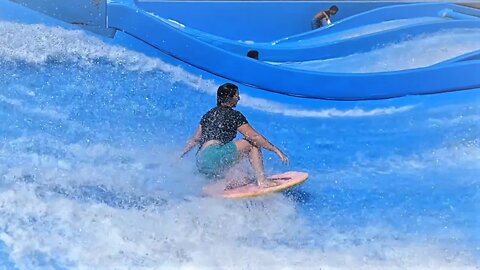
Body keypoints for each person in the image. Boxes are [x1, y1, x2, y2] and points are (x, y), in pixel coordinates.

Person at [179, 83, 288, 188]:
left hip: (201, 162)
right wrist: (275, 149)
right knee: (251, 144)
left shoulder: (208, 115)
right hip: (213, 156)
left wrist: (178, 156)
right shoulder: (234, 115)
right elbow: (254, 137)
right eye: (237, 95)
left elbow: (195, 139)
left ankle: (225, 183)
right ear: (230, 98)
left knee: (237, 157)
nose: (239, 98)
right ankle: (262, 181)